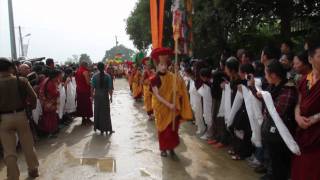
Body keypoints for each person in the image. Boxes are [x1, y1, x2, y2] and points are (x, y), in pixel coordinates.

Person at [0, 57, 39, 179]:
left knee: (9, 151)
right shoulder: (21, 80)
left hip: (3, 119)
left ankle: (13, 176)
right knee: (27, 144)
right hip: (21, 116)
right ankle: (33, 170)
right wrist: (31, 108)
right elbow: (34, 97)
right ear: (11, 67)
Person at [150, 47, 193, 157]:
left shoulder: (172, 76)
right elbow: (157, 96)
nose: (164, 67)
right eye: (161, 65)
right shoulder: (154, 79)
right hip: (162, 107)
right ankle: (164, 149)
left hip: (172, 108)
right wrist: (169, 104)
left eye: (165, 65)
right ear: (157, 66)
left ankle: (171, 148)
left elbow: (180, 86)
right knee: (163, 129)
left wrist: (177, 73)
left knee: (172, 130)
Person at [260, 60, 298, 180]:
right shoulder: (274, 86)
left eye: (266, 74)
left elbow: (278, 111)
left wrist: (266, 99)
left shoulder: (288, 89)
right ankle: (272, 174)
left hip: (282, 133)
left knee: (280, 161)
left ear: (274, 75)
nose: (265, 77)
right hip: (272, 132)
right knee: (273, 158)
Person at [291, 40, 320, 180]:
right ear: (310, 58)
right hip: (303, 131)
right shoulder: (304, 80)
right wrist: (297, 116)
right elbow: (299, 102)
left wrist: (316, 118)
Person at [91, 62, 114, 135]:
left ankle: (100, 129)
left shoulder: (94, 77)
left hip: (97, 96)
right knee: (106, 112)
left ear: (97, 68)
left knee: (98, 112)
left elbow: (92, 88)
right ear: (104, 67)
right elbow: (110, 88)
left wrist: (92, 96)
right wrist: (111, 97)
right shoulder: (108, 76)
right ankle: (108, 129)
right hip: (105, 96)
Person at [38, 69, 62, 137]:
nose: (61, 76)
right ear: (56, 75)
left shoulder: (47, 80)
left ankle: (51, 131)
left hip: (46, 102)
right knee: (50, 118)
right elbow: (54, 93)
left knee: (49, 117)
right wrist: (58, 92)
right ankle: (51, 132)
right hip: (49, 103)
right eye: (60, 75)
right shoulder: (50, 83)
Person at [75, 61, 93, 125]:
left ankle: (83, 119)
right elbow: (88, 82)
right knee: (87, 105)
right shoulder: (85, 71)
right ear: (85, 65)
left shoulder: (77, 71)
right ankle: (88, 119)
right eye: (87, 65)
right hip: (85, 90)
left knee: (81, 105)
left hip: (79, 90)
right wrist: (92, 83)